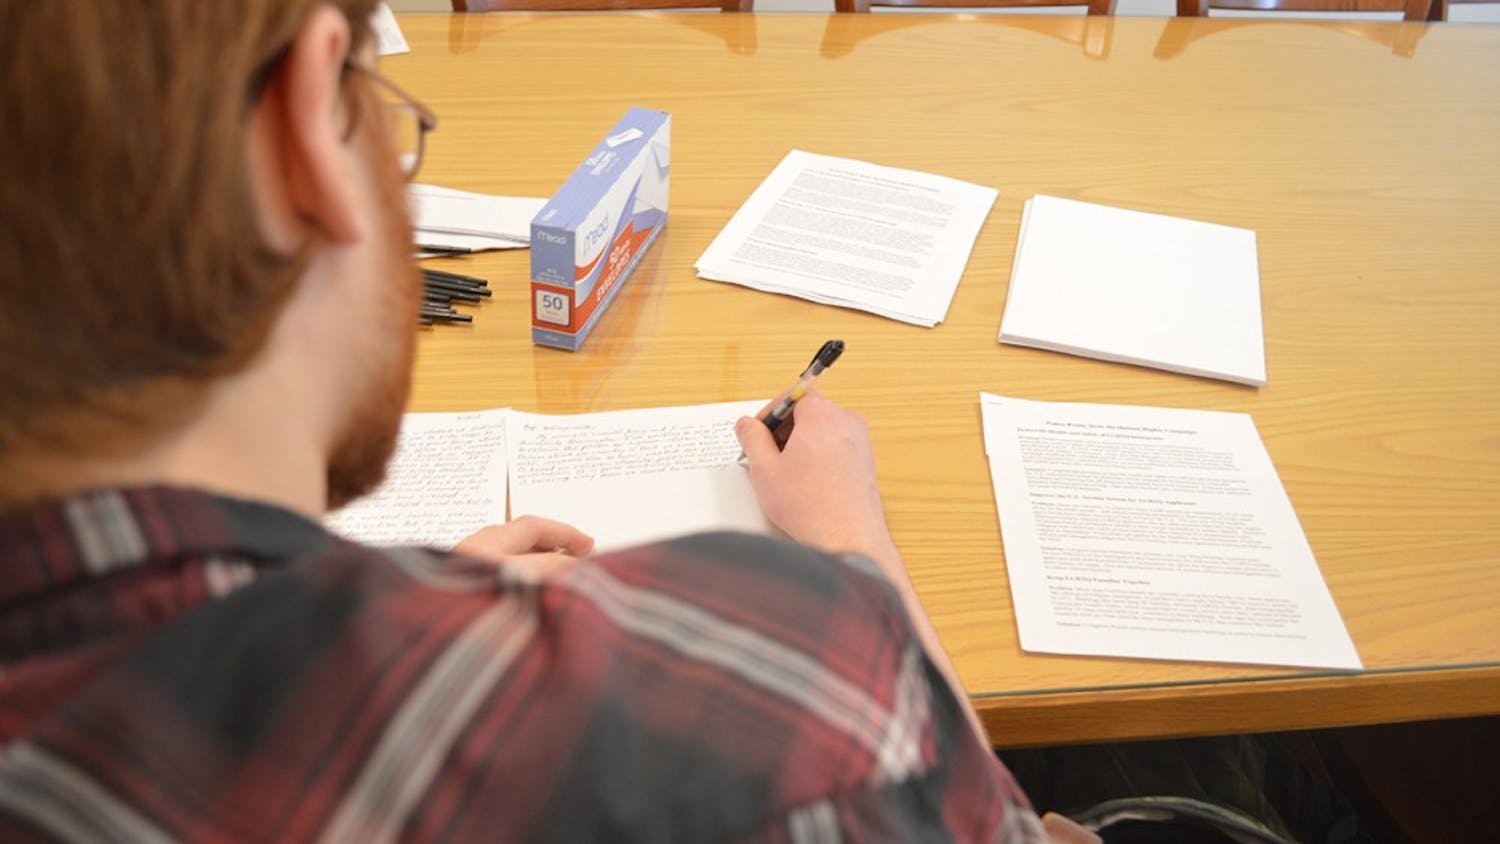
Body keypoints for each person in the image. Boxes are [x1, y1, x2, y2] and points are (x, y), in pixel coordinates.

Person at [0, 2, 1100, 841]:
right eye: (389, 121)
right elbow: (979, 811)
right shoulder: (815, 693)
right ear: (308, 136)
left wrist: (411, 599)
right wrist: (854, 544)